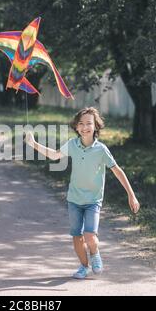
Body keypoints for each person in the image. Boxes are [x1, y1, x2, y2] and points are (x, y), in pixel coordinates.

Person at [25, 106, 140, 278]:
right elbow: (55, 155)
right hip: (74, 199)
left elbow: (117, 170)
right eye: (81, 124)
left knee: (90, 236)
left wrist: (131, 195)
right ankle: (84, 267)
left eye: (89, 123)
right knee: (77, 237)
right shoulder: (72, 145)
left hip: (93, 200)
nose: (85, 127)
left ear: (96, 127)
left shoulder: (101, 150)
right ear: (76, 127)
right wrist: (33, 144)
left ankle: (95, 254)